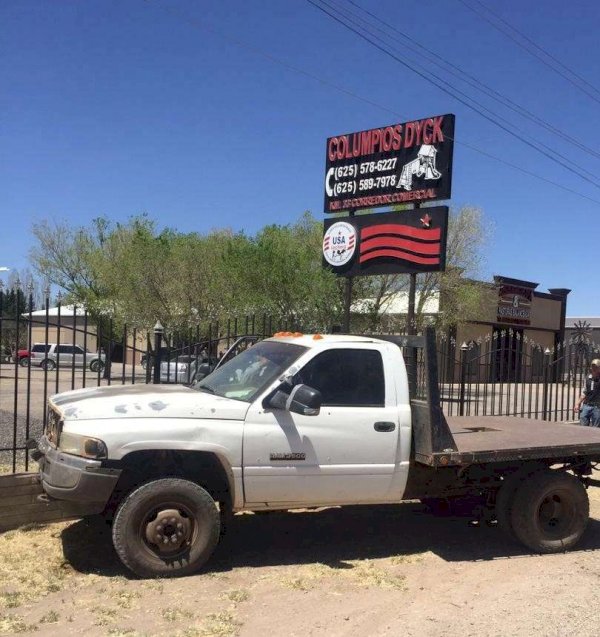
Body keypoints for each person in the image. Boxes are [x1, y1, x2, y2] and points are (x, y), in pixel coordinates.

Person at [575, 359, 600, 427]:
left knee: (596, 428)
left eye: (596, 367)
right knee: (583, 425)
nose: (594, 368)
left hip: (597, 407)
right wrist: (577, 404)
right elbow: (584, 392)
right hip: (586, 406)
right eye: (593, 366)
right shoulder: (587, 378)